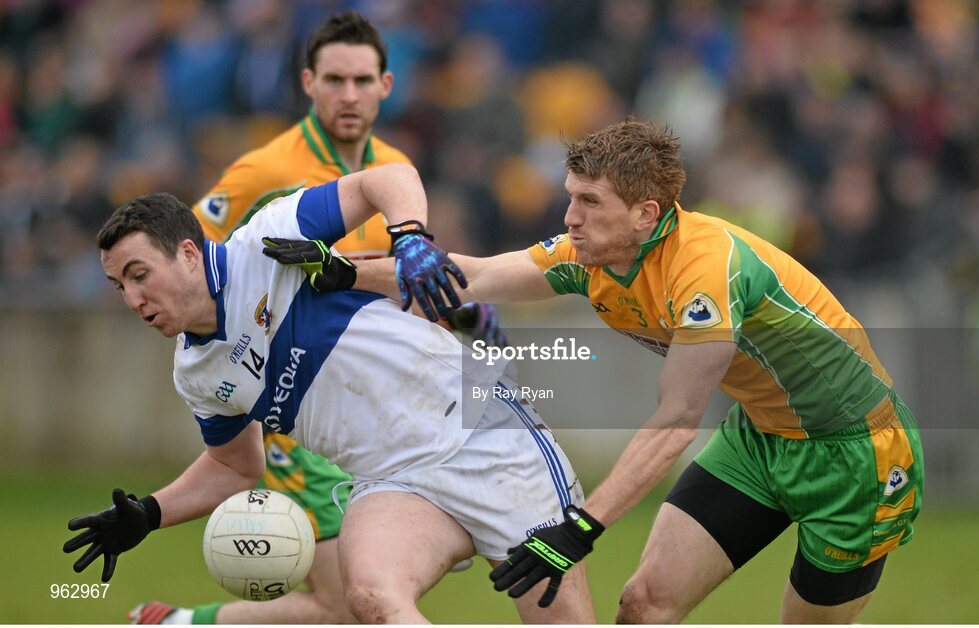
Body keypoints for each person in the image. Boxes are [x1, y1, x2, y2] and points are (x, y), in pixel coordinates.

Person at [335, 118, 924, 623]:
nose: (569, 217)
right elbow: (476, 275)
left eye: (589, 203)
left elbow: (678, 418)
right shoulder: (594, 255)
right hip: (759, 439)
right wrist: (342, 270)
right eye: (571, 197)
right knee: (642, 606)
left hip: (855, 457)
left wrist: (579, 527)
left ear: (645, 213)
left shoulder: (705, 269)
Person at [64, 163, 594, 624]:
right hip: (395, 481)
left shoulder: (266, 242)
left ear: (186, 253)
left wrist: (409, 239)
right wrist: (150, 513)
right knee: (370, 597)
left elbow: (388, 178)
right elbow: (234, 466)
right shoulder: (196, 373)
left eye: (140, 275)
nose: (133, 299)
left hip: (482, 435)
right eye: (121, 286)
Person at [131, 11, 502, 624]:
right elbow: (185, 262)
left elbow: (405, 275)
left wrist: (453, 319)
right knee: (357, 602)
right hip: (296, 418)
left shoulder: (393, 168)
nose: (348, 95)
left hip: (379, 402)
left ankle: (176, 623)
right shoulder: (265, 172)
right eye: (334, 79)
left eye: (362, 80)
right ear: (308, 82)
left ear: (387, 84)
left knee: (353, 603)